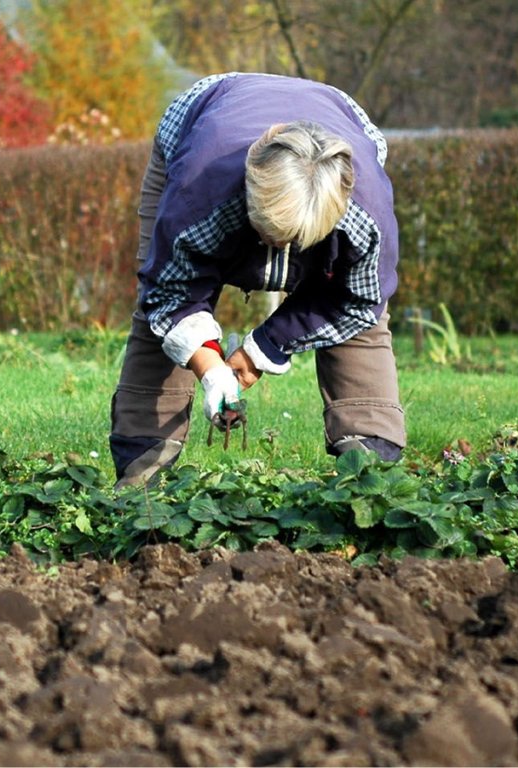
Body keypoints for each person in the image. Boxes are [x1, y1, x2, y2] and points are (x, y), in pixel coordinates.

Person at [109, 72, 406, 487]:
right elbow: (172, 291)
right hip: (205, 124)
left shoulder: (367, 211)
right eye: (268, 233)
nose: (278, 246)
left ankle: (370, 468)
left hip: (337, 122)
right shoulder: (198, 186)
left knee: (363, 326)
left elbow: (357, 301)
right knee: (156, 306)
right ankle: (142, 468)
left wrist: (263, 349)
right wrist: (212, 370)